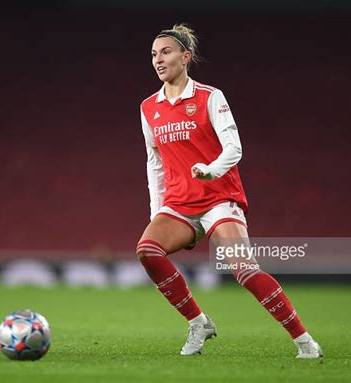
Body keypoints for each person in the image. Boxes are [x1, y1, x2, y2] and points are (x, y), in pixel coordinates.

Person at [137, 23, 323, 358]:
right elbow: (154, 162)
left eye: (165, 52)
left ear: (186, 56)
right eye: (153, 54)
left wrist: (210, 171)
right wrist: (157, 211)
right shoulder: (149, 107)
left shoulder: (210, 97)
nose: (158, 60)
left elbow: (234, 148)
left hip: (218, 201)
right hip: (179, 204)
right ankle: (198, 322)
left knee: (245, 270)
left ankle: (304, 340)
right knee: (147, 251)